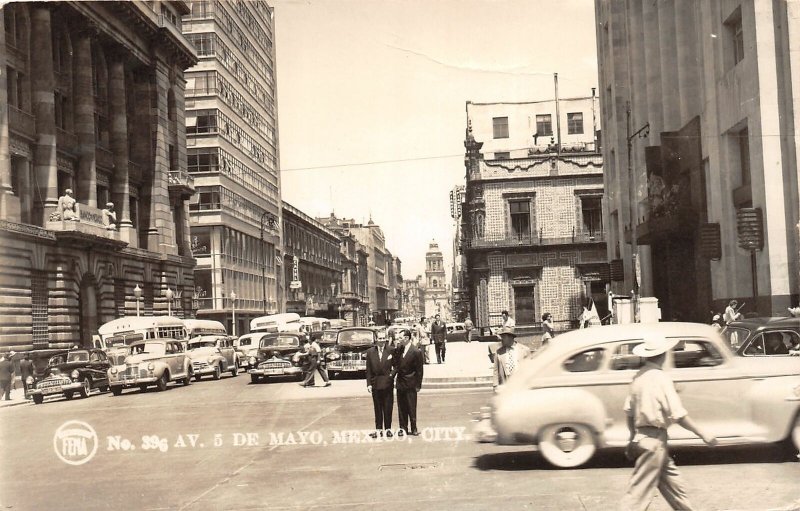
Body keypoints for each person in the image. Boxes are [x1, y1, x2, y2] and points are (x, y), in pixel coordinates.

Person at [621, 333, 717, 511]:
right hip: (655, 441)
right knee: (637, 496)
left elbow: (629, 412)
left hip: (646, 440)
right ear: (664, 355)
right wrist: (703, 433)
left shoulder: (638, 378)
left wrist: (632, 438)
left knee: (676, 488)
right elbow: (678, 415)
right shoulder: (662, 378)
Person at [393, 329, 423, 436]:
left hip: (411, 382)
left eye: (400, 338)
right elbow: (396, 363)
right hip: (401, 382)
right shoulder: (399, 349)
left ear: (406, 338)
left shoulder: (416, 351)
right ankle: (403, 428)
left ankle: (414, 427)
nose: (398, 340)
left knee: (411, 406)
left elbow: (419, 370)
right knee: (401, 407)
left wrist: (418, 385)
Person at [366, 334, 396, 438]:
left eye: (384, 338)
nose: (382, 340)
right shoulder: (370, 352)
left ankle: (388, 429)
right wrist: (369, 384)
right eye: (380, 338)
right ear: (376, 339)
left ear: (386, 339)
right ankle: (378, 429)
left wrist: (391, 376)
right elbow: (368, 370)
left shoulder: (391, 350)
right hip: (375, 383)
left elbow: (396, 366)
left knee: (388, 407)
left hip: (387, 383)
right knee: (377, 408)